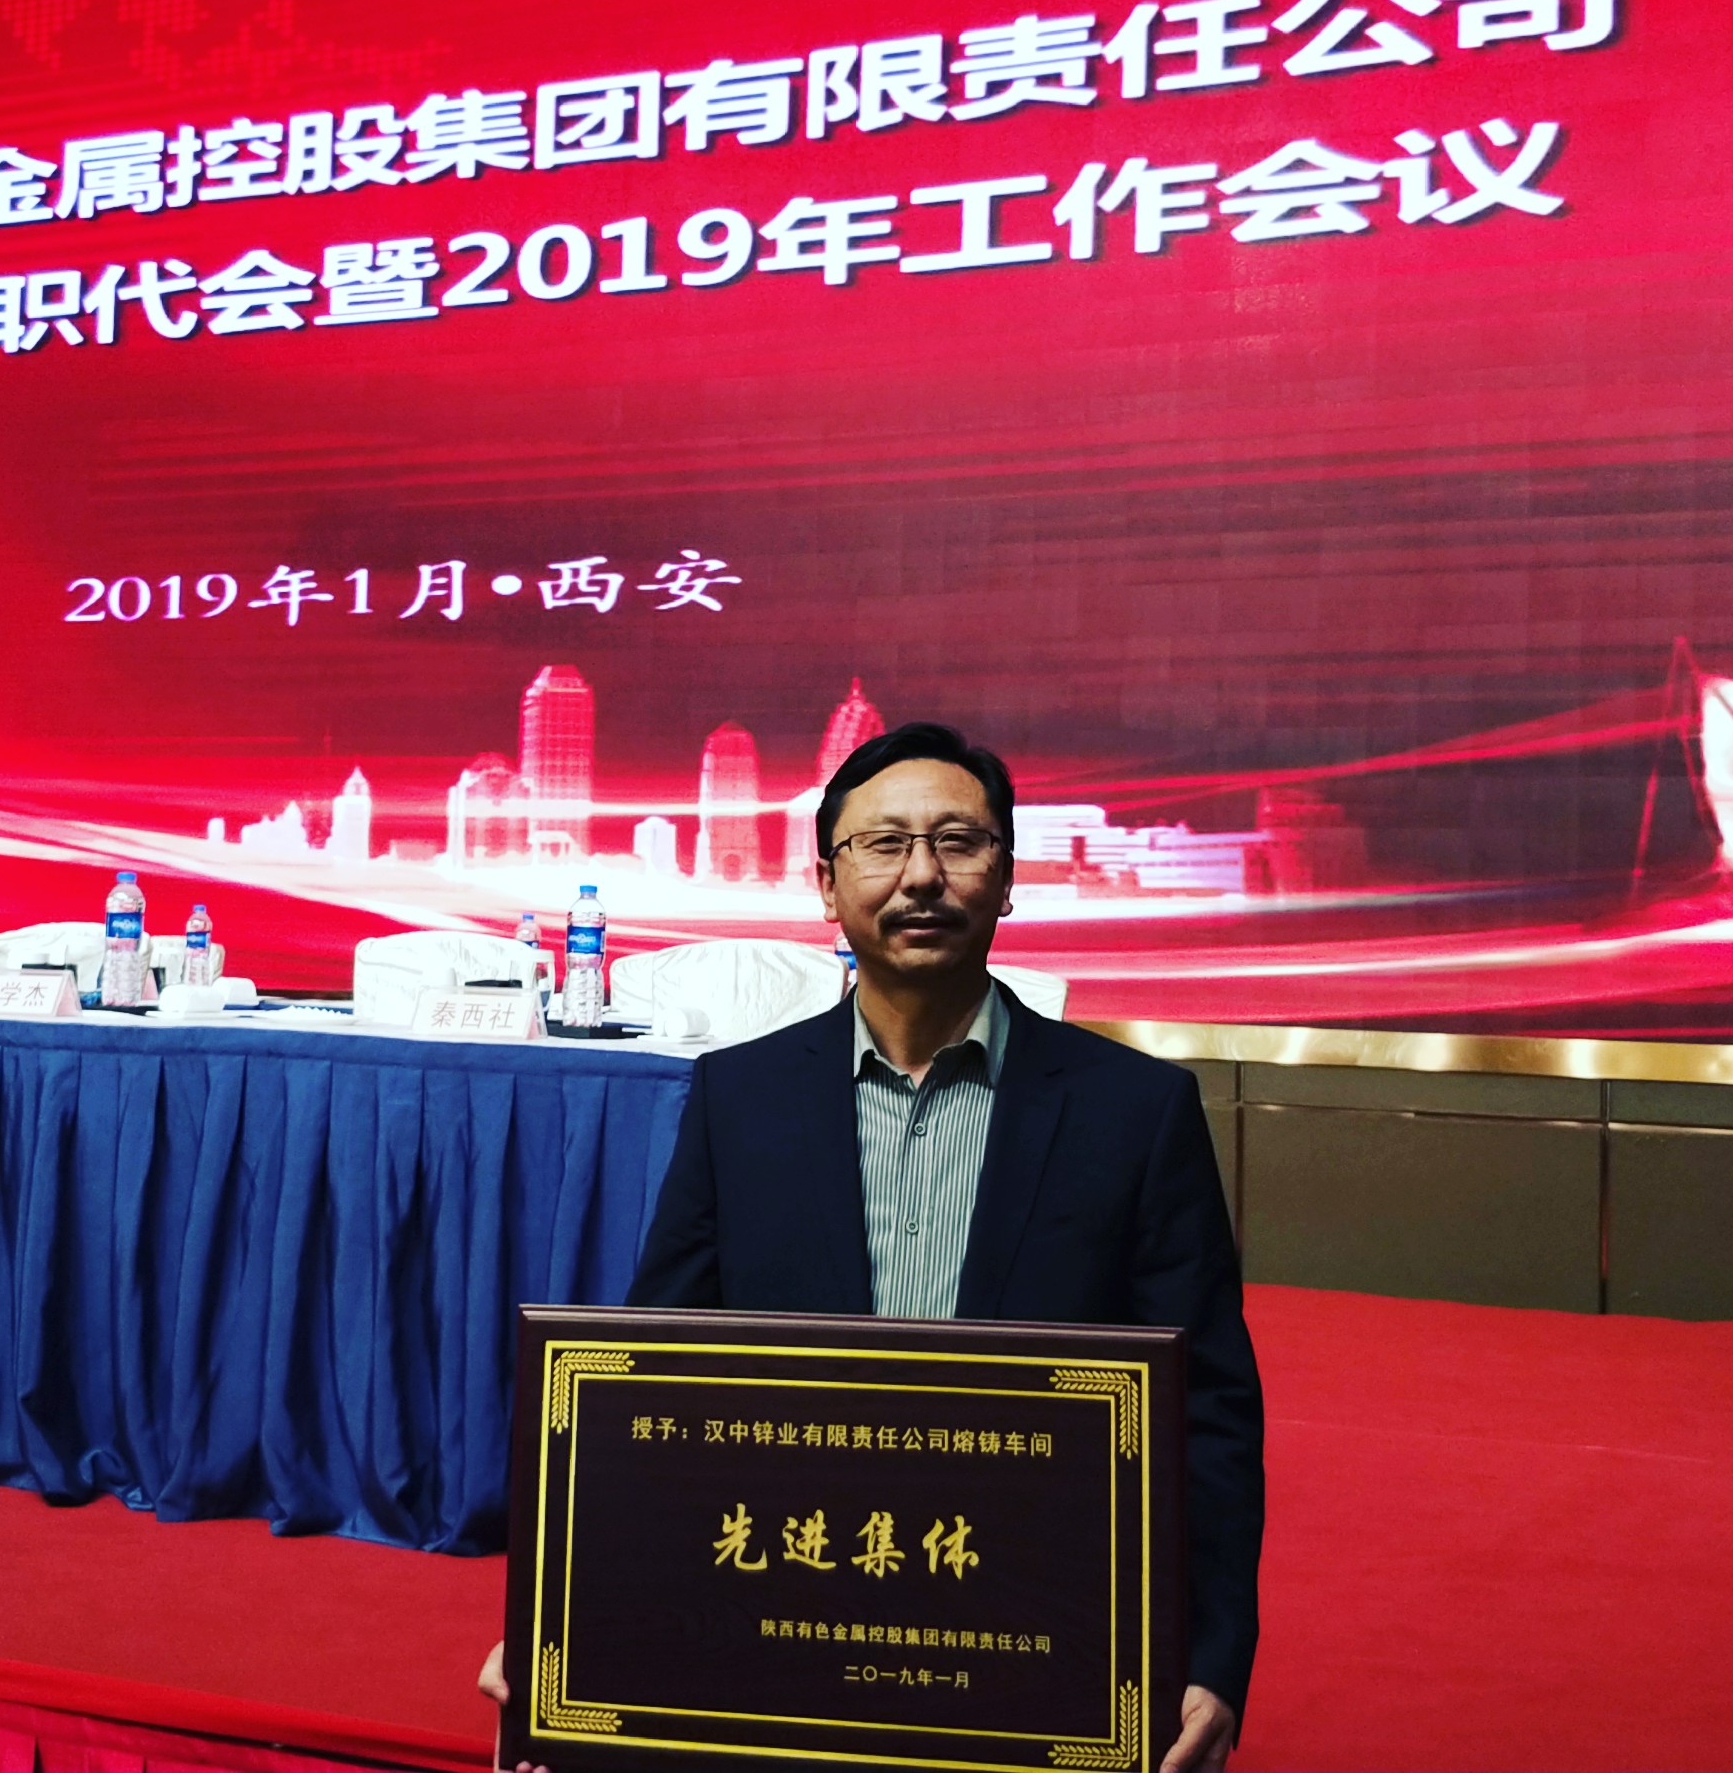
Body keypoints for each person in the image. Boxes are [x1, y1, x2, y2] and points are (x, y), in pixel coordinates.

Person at [483, 723, 1265, 1773]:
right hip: (789, 1615)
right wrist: (563, 1623)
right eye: (883, 843)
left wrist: (1212, 1658)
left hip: (1035, 1635)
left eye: (958, 841)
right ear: (826, 883)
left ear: (1006, 878)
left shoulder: (1134, 1111)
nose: (921, 876)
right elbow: (648, 1389)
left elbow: (1208, 1412)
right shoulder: (739, 1099)